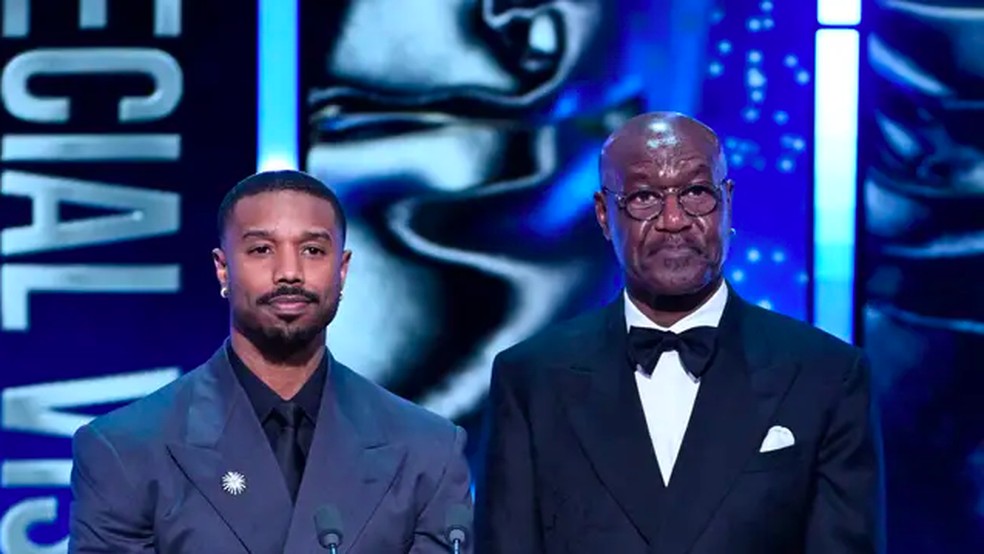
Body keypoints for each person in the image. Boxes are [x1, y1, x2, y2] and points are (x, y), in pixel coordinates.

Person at [475, 112, 883, 553]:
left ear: (727, 202)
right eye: (645, 197)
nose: (674, 219)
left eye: (695, 193)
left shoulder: (826, 376)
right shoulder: (532, 380)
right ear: (603, 214)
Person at [69, 170, 473, 553]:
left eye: (312, 250)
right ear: (223, 270)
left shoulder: (429, 452)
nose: (289, 272)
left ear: (343, 271)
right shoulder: (126, 452)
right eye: (262, 249)